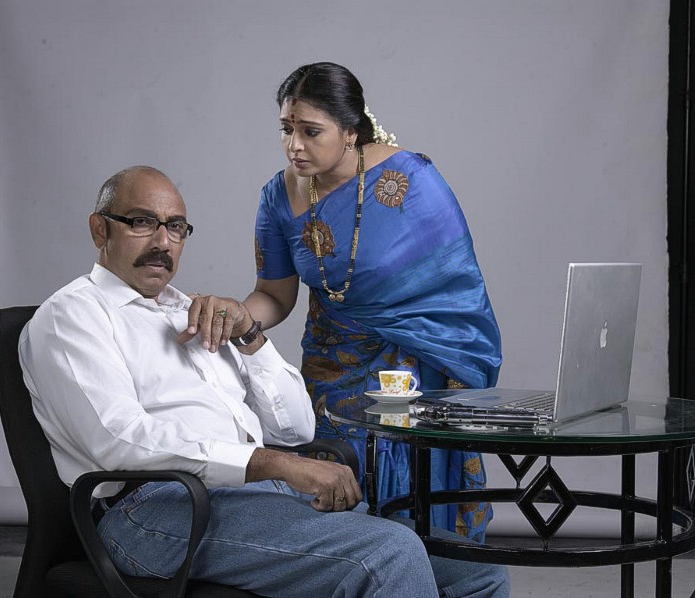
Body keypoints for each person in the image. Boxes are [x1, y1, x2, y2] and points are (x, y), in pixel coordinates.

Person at [19, 165, 509, 597]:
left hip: (252, 498)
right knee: (389, 553)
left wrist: (251, 338)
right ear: (100, 229)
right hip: (155, 511)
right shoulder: (73, 316)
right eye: (142, 222)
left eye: (176, 227)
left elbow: (295, 429)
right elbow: (117, 440)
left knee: (475, 572)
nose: (163, 243)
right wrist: (274, 464)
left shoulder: (193, 311)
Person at [189, 62, 503, 541]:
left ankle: (424, 570)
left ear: (351, 131)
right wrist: (239, 317)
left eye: (311, 131)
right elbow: (274, 295)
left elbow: (456, 286)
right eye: (286, 129)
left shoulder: (410, 179)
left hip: (414, 365)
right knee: (335, 494)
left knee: (410, 491)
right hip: (331, 367)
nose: (294, 145)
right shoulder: (278, 196)